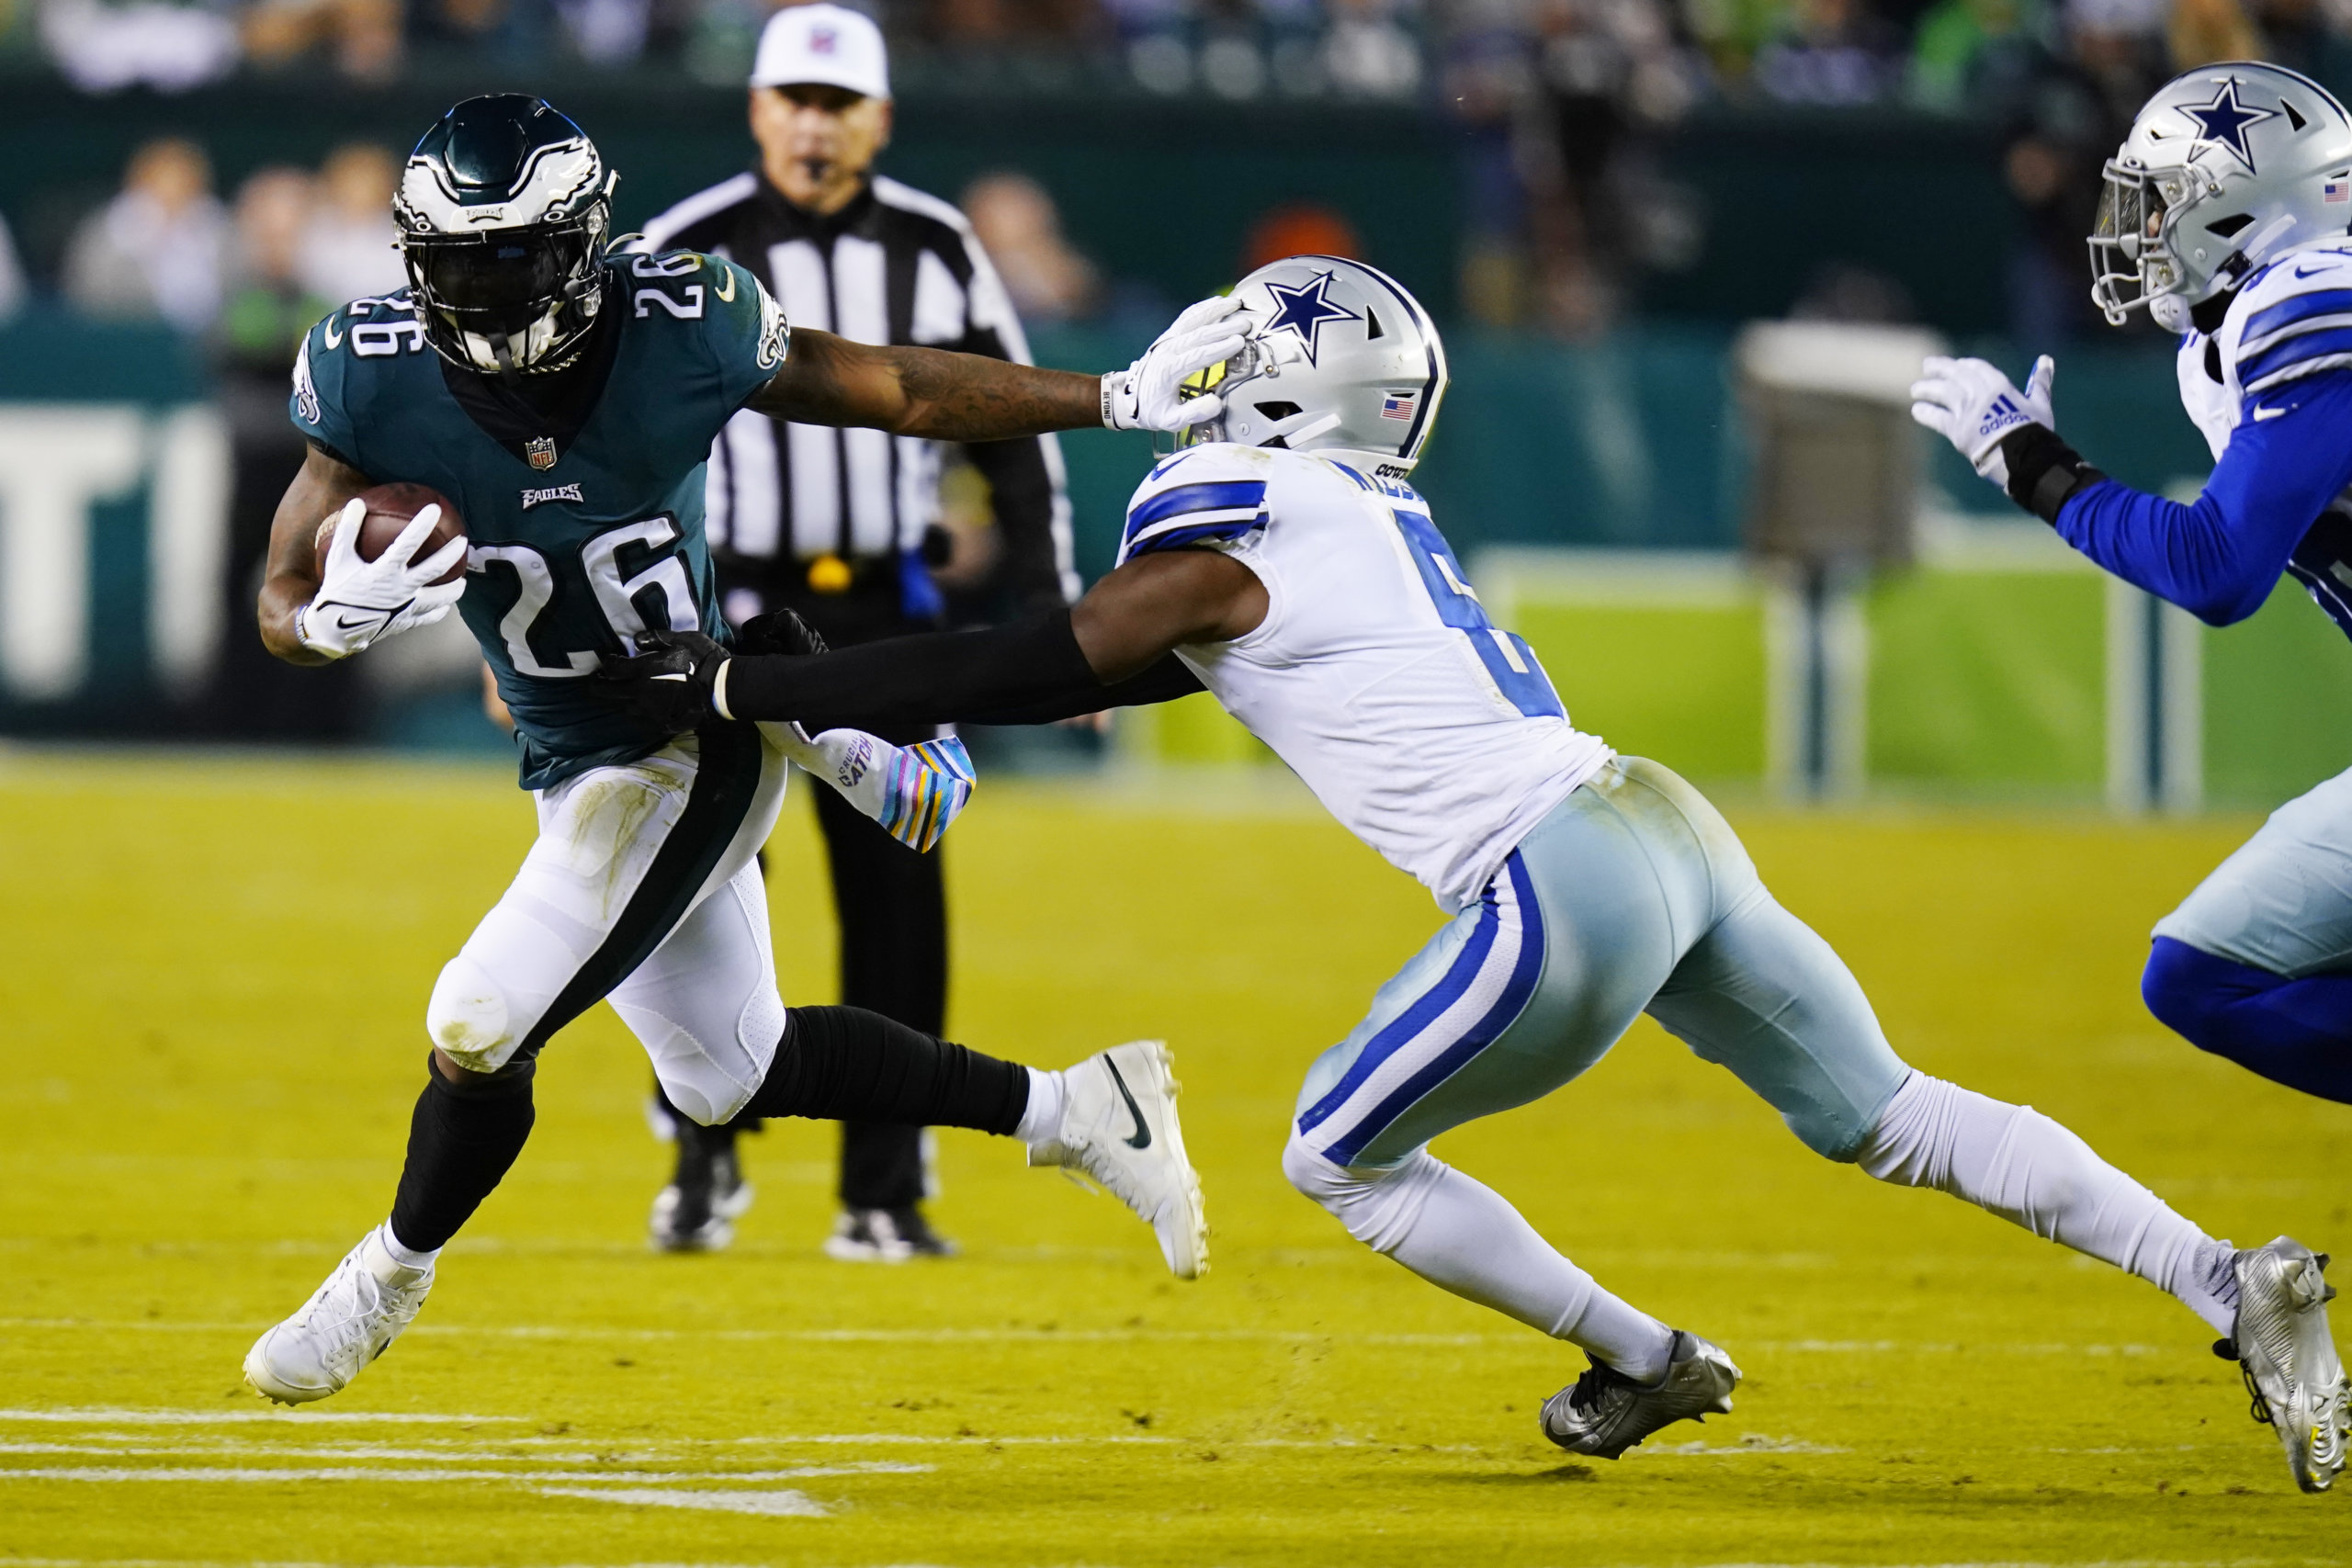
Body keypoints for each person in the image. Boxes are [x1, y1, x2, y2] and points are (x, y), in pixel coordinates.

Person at [601, 254, 2351, 1493]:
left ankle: (1645, 1352)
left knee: (1331, 1155)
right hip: (1656, 821)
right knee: (1887, 1109)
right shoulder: (1357, 515)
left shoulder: (1249, 518)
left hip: (1553, 877)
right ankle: (2227, 1276)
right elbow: (1106, 672)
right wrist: (875, 707)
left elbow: (1047, 656)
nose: (1194, 384)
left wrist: (764, 685)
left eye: (1225, 363)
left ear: (1274, 389)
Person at [238, 93, 1242, 1405]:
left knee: (477, 1020)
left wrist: (1111, 396)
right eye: (457, 262)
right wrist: (323, 619)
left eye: (512, 260)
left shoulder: (678, 319)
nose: (482, 294)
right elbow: (274, 602)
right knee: (731, 1073)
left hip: (689, 728)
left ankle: (383, 1277)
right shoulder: (366, 365)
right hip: (571, 755)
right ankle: (1084, 1107)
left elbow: (905, 387)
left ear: (584, 246)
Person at [627, 4, 1080, 1260]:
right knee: (700, 888)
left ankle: (882, 1185)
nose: (815, 125)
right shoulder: (691, 245)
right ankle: (700, 1153)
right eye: (795, 100)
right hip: (727, 611)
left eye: (839, 104)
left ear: (879, 117)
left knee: (900, 890)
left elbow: (1017, 429)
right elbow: (620, 444)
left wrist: (1050, 610)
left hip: (885, 607)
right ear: (759, 107)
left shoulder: (937, 246)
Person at [1911, 62, 2352, 1118]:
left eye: (2162, 203)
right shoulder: (2241, 331)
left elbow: (2218, 570)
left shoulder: (2313, 304)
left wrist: (2033, 465)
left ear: (2245, 208)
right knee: (2201, 971)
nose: (2140, 230)